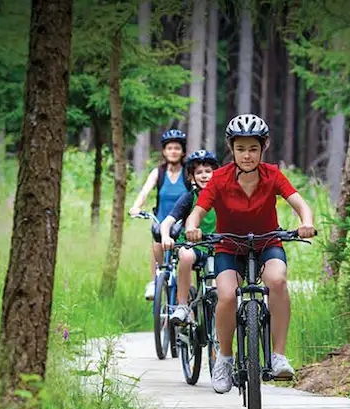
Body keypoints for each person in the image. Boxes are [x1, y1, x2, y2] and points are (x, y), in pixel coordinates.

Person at [183, 114, 316, 394]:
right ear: (231, 149)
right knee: (227, 295)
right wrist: (192, 228)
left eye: (253, 149)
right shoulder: (219, 178)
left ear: (263, 147)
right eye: (241, 148)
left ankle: (278, 356)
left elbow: (300, 203)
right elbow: (197, 212)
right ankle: (224, 358)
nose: (247, 155)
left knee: (277, 281)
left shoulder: (272, 174)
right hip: (229, 246)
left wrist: (306, 222)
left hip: (268, 243)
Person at [129, 129, 192, 301]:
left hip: (182, 225)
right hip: (161, 222)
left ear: (183, 152)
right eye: (170, 148)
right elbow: (145, 191)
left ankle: (187, 300)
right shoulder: (159, 172)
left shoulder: (187, 173)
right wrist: (136, 206)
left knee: (185, 259)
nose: (173, 151)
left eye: (177, 148)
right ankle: (154, 281)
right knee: (157, 244)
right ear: (164, 151)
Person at [159, 149, 220, 326]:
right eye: (199, 172)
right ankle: (183, 305)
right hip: (194, 247)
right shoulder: (189, 198)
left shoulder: (224, 198)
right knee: (185, 256)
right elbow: (167, 222)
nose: (204, 175)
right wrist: (166, 237)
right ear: (192, 177)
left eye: (208, 171)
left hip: (218, 247)